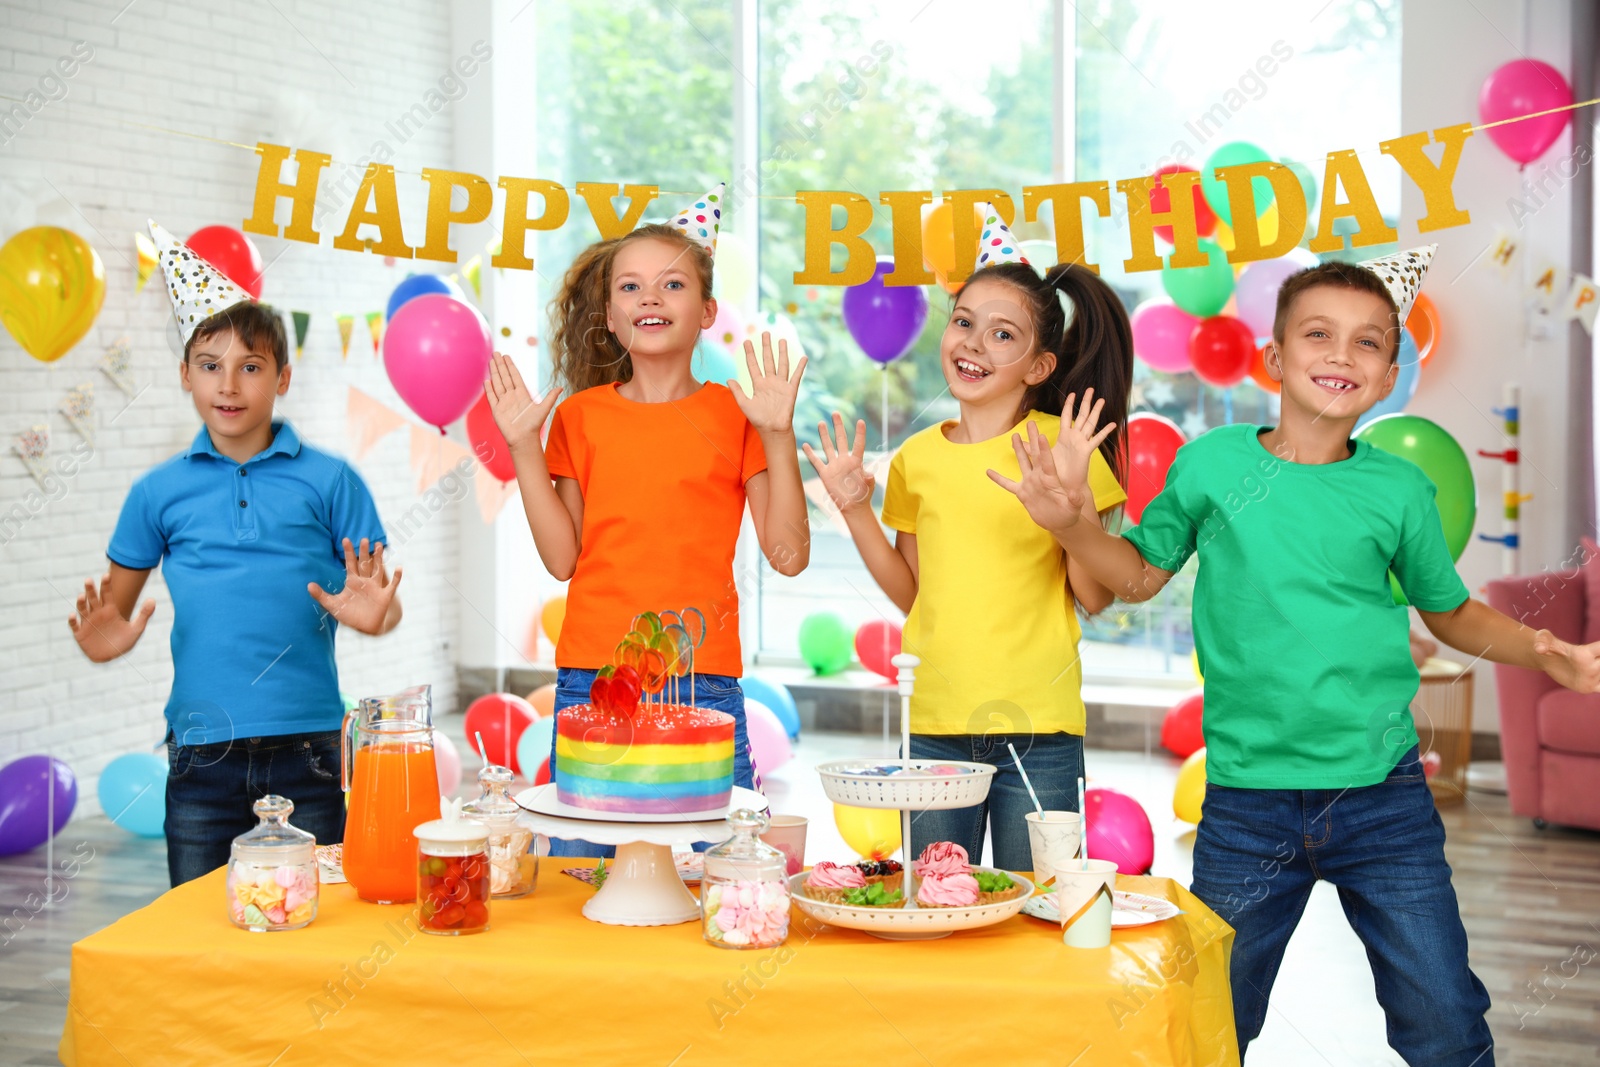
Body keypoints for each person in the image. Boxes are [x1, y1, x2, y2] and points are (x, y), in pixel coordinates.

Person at [1034, 248, 1600, 1064]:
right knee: (1208, 1015)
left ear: (1390, 374)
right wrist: (1074, 525)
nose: (1342, 354)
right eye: (1319, 334)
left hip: (1383, 798)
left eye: (1368, 343)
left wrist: (1547, 652)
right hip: (1246, 804)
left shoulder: (1399, 491)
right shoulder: (1212, 466)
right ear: (1273, 357)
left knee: (1443, 1015)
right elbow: (1136, 577)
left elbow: (1454, 615)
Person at [71, 222, 403, 886]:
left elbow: (380, 605)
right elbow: (116, 604)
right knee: (196, 923)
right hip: (200, 751)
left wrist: (377, 617)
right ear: (186, 375)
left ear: (281, 377)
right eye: (210, 365)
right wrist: (101, 638)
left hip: (308, 745)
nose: (229, 384)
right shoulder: (156, 491)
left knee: (316, 913)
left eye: (250, 366)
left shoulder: (331, 479)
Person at [485, 186, 810, 855]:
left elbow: (788, 554)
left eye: (673, 284)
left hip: (704, 676)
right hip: (594, 674)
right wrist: (523, 448)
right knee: (587, 865)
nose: (651, 298)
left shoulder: (736, 414)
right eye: (631, 286)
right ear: (609, 314)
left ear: (708, 311)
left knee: (719, 873)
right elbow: (561, 559)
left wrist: (778, 435)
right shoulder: (579, 417)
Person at [806, 207, 1130, 870]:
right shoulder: (917, 460)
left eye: (1002, 333)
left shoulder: (1069, 452)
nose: (974, 343)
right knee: (937, 904)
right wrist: (856, 509)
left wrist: (1070, 509)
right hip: (935, 727)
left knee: (1036, 912)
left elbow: (1094, 595)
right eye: (964, 322)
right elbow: (913, 594)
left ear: (1039, 366)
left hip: (1040, 730)